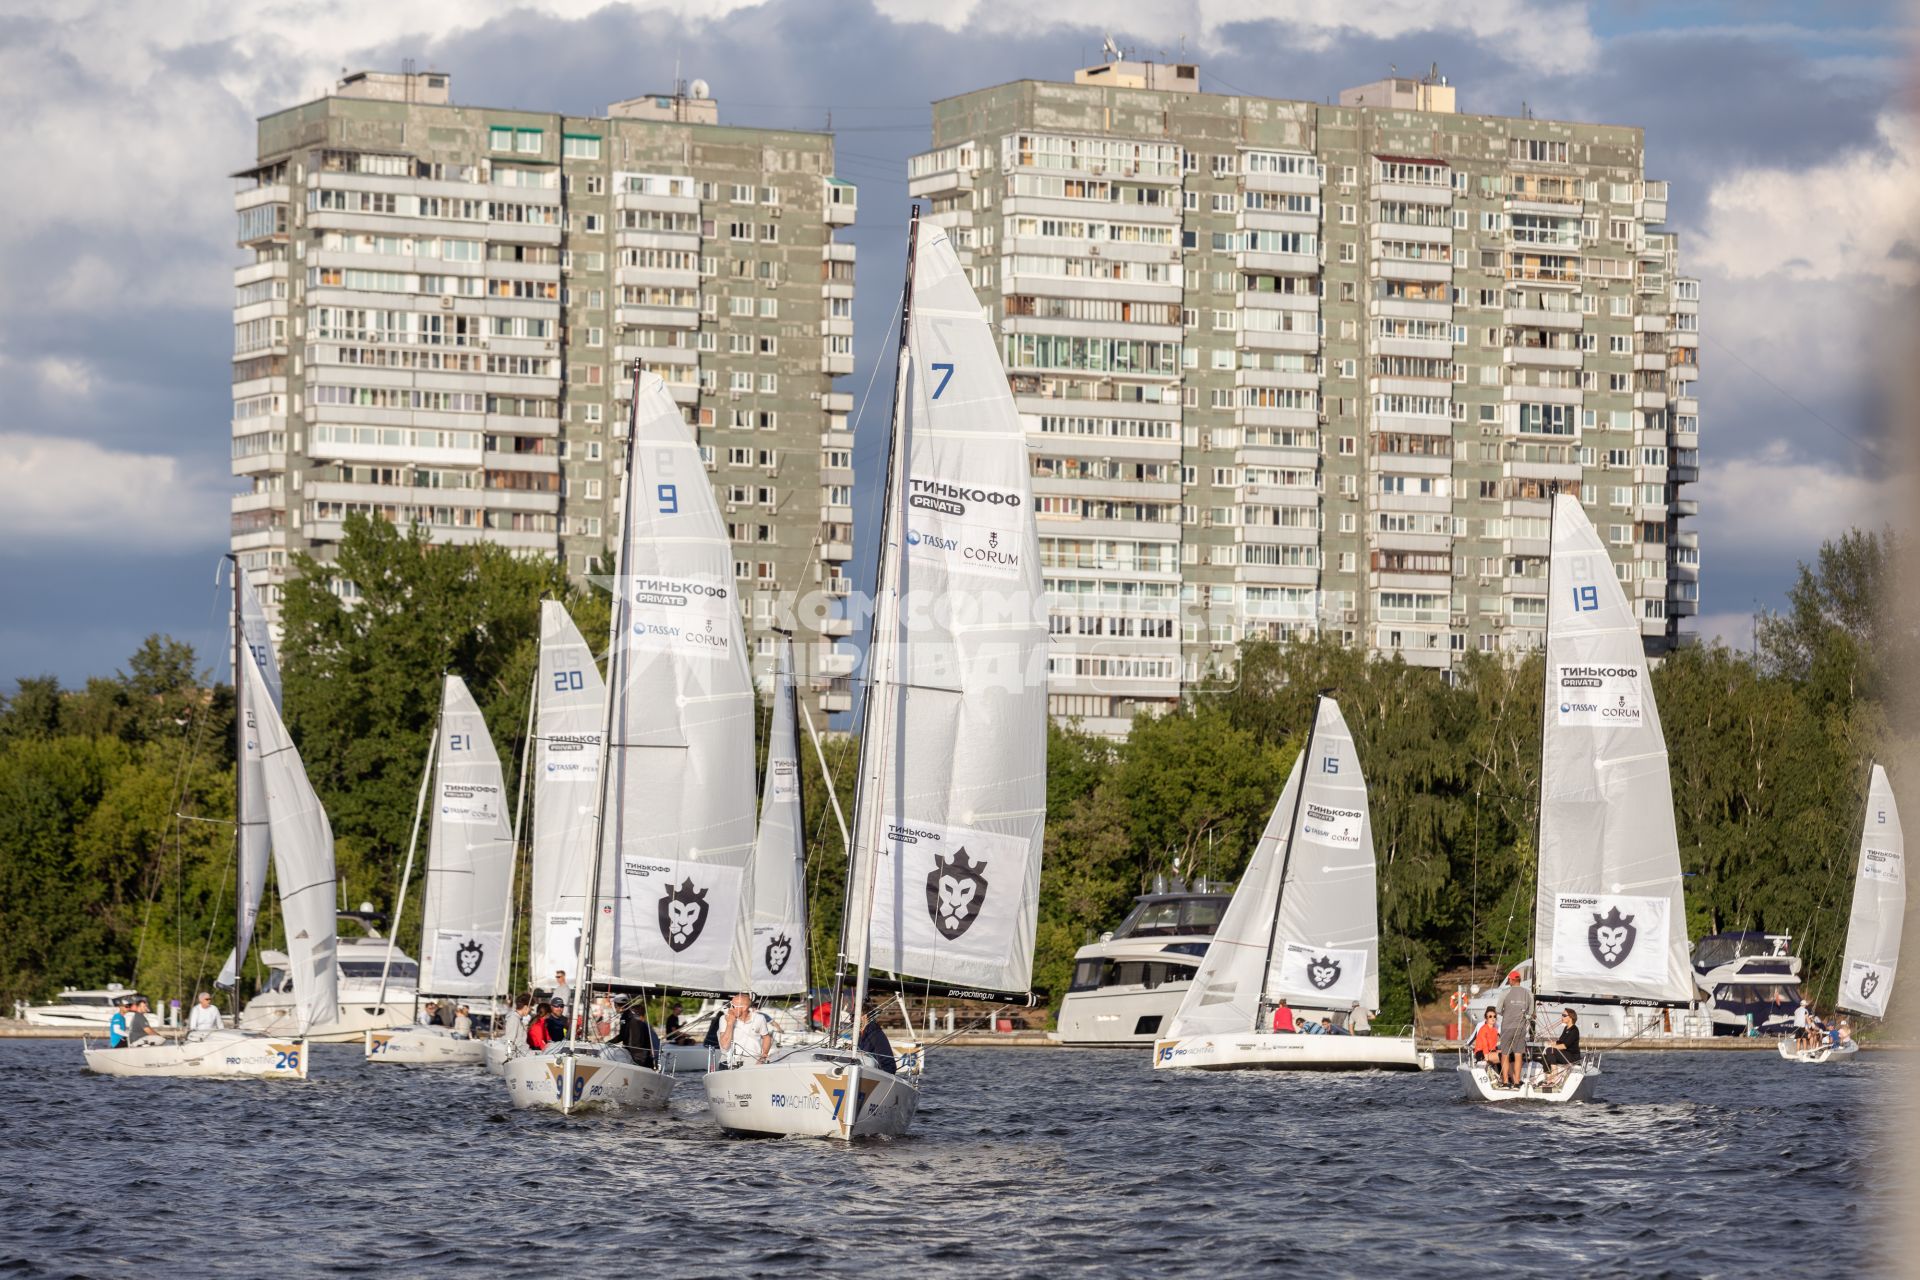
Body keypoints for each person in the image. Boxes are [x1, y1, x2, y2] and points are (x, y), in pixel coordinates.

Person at [717, 992, 774, 1067]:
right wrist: (730, 1023)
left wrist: (763, 1057)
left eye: (733, 1006)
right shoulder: (724, 1019)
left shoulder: (759, 1018)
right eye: (730, 1005)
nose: (730, 1008)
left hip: (753, 1060)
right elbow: (725, 1045)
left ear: (744, 1008)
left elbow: (766, 1037)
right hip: (729, 1060)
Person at [1497, 972, 1533, 1088]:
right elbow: (1531, 1013)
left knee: (1505, 1054)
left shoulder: (1505, 992)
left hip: (1507, 1027)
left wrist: (1506, 1013)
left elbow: (1498, 1010)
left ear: (1511, 980)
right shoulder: (1528, 993)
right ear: (1520, 980)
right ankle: (1517, 1082)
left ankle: (1506, 1082)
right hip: (1521, 1028)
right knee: (1518, 1055)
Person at [618, 998, 660, 1070]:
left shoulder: (644, 1027)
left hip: (644, 1061)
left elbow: (653, 1046)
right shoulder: (645, 1026)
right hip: (645, 1060)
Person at [1543, 1007, 1582, 1088]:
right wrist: (1550, 1043)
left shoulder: (1574, 1030)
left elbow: (1564, 1046)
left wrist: (1552, 1046)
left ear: (1570, 1017)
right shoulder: (1566, 1028)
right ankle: (1549, 1077)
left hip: (1572, 1057)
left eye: (1564, 1015)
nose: (1562, 1017)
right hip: (1565, 1054)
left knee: (1550, 1050)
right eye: (1562, 1015)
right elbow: (1560, 1042)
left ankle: (1555, 1075)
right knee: (1545, 1054)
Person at [857, 1003, 896, 1075]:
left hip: (882, 1073)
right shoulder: (860, 1033)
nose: (850, 1018)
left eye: (854, 1015)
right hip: (866, 1070)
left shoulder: (874, 1033)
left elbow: (889, 1066)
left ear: (864, 1017)